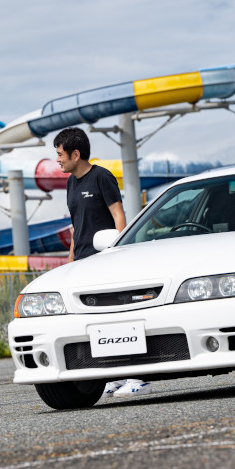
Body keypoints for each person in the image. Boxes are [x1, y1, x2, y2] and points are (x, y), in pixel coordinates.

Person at [53, 127, 151, 398]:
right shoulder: (71, 183)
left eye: (60, 154)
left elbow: (119, 216)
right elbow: (76, 225)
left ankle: (138, 377)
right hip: (82, 263)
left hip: (106, 262)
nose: (57, 160)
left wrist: (117, 254)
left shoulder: (101, 177)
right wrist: (71, 259)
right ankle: (115, 376)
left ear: (76, 154)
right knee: (96, 324)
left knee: (120, 318)